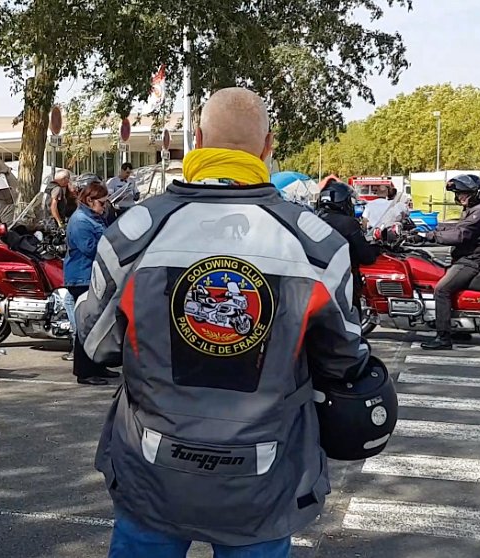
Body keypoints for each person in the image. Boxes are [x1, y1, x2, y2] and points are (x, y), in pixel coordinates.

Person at [76, 87, 368, 557]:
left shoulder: (133, 233)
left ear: (197, 137)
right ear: (268, 146)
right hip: (263, 479)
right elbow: (345, 360)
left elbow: (96, 345)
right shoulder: (317, 244)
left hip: (152, 472)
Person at [416, 174, 480, 350]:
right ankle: (459, 328)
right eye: (458, 193)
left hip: (473, 259)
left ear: (475, 193)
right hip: (467, 257)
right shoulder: (475, 210)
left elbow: (460, 234)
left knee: (441, 290)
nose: (460, 197)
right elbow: (457, 227)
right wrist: (423, 228)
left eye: (464, 193)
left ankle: (443, 338)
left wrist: (428, 236)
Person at [63, 175, 118, 384]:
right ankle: (85, 371)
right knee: (86, 325)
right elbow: (90, 249)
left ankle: (97, 366)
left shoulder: (95, 218)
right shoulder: (80, 221)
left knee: (98, 324)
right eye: (102, 203)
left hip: (93, 276)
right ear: (89, 200)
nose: (104, 207)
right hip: (82, 278)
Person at [315, 180, 381, 311]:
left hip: (316, 282)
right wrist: (376, 249)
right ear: (342, 201)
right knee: (352, 317)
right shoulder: (349, 224)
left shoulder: (312, 220)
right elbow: (366, 257)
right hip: (344, 282)